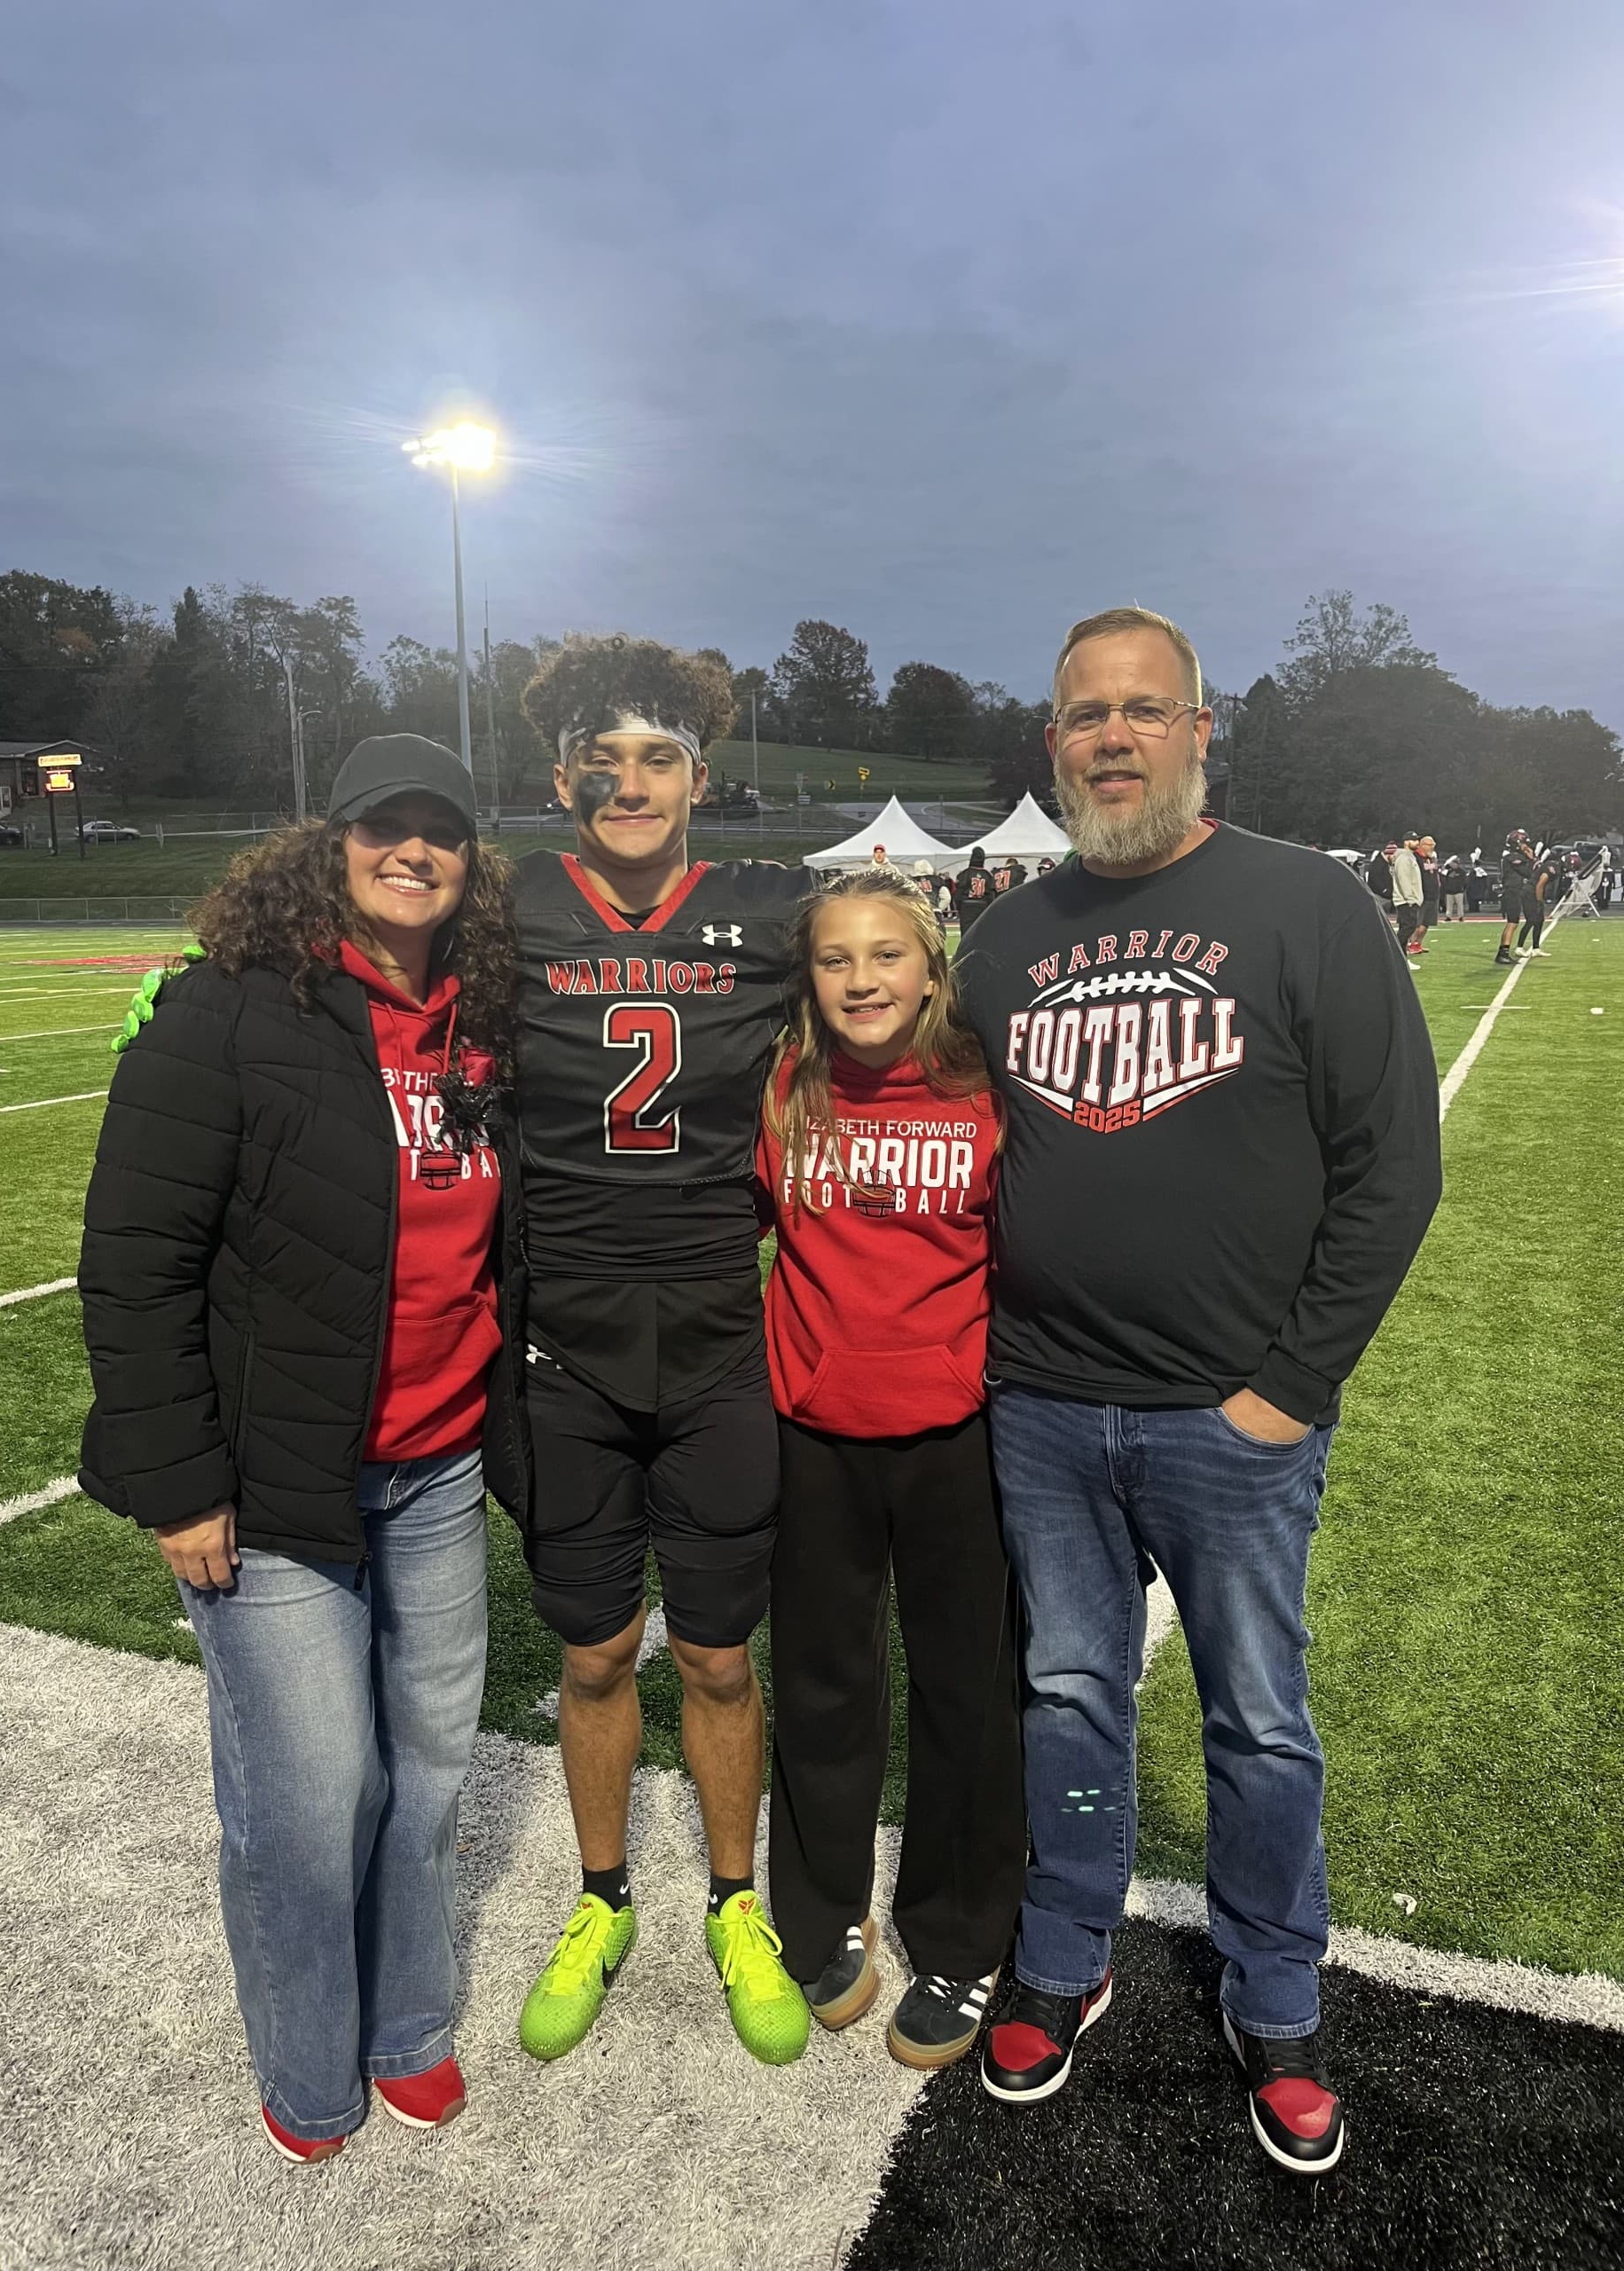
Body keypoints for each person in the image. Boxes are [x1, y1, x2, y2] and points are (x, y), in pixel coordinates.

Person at [957, 605, 1440, 2175]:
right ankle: (1065, 1948)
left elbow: (1395, 1166)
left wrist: (1291, 1388)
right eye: (1085, 713)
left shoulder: (1303, 902)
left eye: (1142, 710)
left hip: (1230, 1418)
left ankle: (1277, 1990)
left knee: (1260, 1721)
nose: (1112, 736)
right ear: (1054, 742)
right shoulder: (1008, 933)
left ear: (1197, 728)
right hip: (1039, 1405)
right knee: (1071, 1694)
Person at [82, 736, 524, 2164]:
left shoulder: (485, 1013)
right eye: (382, 827)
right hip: (273, 1485)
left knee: (430, 1769)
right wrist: (179, 1483)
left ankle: (408, 2026)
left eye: (438, 831)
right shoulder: (227, 1010)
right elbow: (136, 1261)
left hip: (439, 1466)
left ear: (469, 859)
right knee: (306, 1796)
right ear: (326, 846)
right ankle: (308, 2067)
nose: (412, 851)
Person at [509, 634, 813, 2067]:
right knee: (589, 1657)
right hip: (560, 1358)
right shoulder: (504, 912)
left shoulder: (770, 912)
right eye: (603, 757)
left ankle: (737, 1903)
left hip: (710, 1350)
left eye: (657, 757)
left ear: (701, 772)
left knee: (718, 1657)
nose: (629, 781)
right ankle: (602, 1896)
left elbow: (911, 1000)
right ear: (563, 773)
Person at [758, 871, 1024, 2071]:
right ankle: (819, 1914)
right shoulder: (782, 1087)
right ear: (808, 977)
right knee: (823, 1685)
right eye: (835, 959)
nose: (862, 980)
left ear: (931, 967)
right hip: (814, 1431)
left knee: (967, 1696)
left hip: (956, 1436)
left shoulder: (985, 1088)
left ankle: (962, 1934)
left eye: (886, 956)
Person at [1498, 830, 1535, 966]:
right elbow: (1528, 873)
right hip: (1512, 891)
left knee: (1512, 922)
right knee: (1512, 923)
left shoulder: (1512, 856)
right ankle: (1503, 953)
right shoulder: (1512, 857)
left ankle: (1503, 953)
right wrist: (1531, 858)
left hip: (1514, 891)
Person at [1390, 834, 1425, 963]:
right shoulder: (1404, 858)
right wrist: (1411, 899)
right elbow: (1404, 880)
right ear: (1406, 842)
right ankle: (1395, 955)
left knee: (1406, 928)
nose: (1417, 842)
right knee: (1408, 928)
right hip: (1406, 901)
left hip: (1408, 900)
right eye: (1414, 840)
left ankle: (1401, 959)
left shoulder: (1409, 857)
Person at [1518, 847, 1557, 958]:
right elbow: (1540, 885)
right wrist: (1539, 901)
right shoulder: (1551, 868)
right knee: (1531, 920)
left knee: (1539, 920)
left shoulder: (1539, 863)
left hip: (1531, 891)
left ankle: (1536, 948)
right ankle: (1519, 947)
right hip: (1531, 892)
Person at [954, 845, 994, 936]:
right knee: (981, 934)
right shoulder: (988, 875)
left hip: (967, 905)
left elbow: (958, 895)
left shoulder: (964, 874)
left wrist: (959, 908)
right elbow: (991, 896)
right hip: (982, 906)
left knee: (966, 935)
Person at [1441, 854, 1468, 924]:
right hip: (1449, 891)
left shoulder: (1462, 872)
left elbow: (1464, 881)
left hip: (1458, 891)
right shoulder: (1449, 871)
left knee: (1460, 905)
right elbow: (1446, 879)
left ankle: (1460, 916)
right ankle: (1448, 916)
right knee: (1449, 905)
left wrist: (1462, 888)